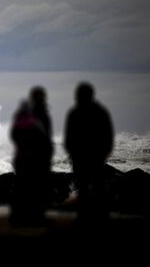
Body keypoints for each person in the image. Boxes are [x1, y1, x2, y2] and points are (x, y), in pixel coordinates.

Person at [64, 82, 114, 223]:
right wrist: (104, 154)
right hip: (92, 158)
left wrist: (72, 154)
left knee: (88, 188)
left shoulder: (75, 112)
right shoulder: (100, 112)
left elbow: (69, 137)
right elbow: (108, 137)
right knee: (93, 188)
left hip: (86, 158)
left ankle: (87, 216)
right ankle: (98, 216)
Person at [10, 86, 53, 225]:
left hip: (36, 156)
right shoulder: (30, 114)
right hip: (29, 157)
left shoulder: (40, 113)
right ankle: (25, 216)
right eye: (38, 96)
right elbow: (15, 135)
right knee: (29, 187)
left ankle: (32, 216)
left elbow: (46, 136)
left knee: (34, 187)